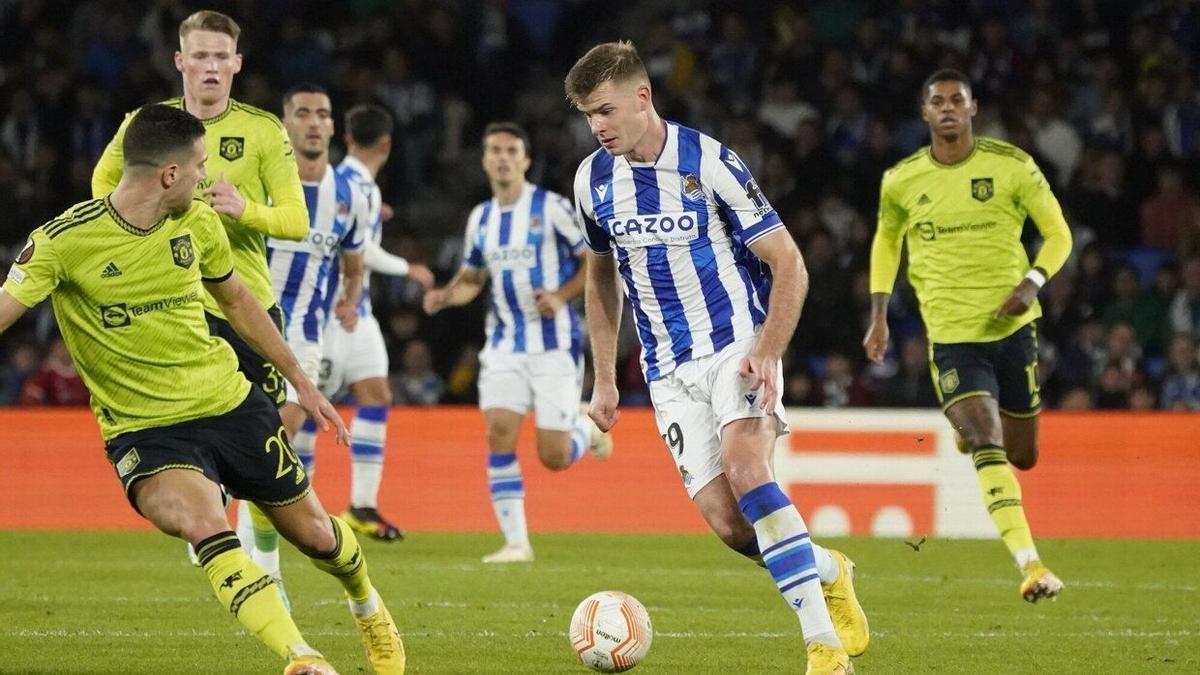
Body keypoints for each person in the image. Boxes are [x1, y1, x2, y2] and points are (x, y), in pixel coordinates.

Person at [1, 104, 404, 675]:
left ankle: (367, 604)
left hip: (230, 404)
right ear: (169, 174)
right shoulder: (63, 242)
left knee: (318, 538)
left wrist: (302, 384)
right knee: (203, 524)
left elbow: (239, 302)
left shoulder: (198, 223)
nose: (208, 179)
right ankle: (302, 657)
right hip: (146, 430)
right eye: (200, 166)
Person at [565, 42, 866, 675]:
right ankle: (828, 568)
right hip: (666, 371)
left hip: (736, 345)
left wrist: (768, 350)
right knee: (731, 526)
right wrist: (602, 379)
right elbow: (599, 277)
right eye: (588, 116)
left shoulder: (710, 162)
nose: (597, 127)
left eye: (604, 111)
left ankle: (823, 649)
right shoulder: (592, 180)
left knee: (748, 469)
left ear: (642, 98)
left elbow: (789, 262)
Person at [89, 9, 309, 573]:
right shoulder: (147, 124)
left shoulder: (263, 129)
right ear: (180, 61)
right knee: (185, 425)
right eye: (200, 56)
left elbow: (295, 219)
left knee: (269, 434)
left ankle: (261, 551)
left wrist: (245, 209)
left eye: (221, 57)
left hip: (246, 303)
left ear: (236, 64)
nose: (210, 67)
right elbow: (101, 188)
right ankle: (213, 521)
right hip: (173, 304)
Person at [864, 68, 1073, 603]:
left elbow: (1058, 234)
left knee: (1022, 455)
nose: (949, 108)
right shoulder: (903, 180)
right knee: (987, 440)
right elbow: (887, 243)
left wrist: (1032, 284)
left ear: (974, 107)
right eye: (938, 101)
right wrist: (880, 313)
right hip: (952, 336)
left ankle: (968, 423)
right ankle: (1031, 564)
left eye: (958, 99)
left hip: (1013, 329)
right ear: (926, 113)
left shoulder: (1012, 167)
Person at [423, 122, 612, 564]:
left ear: (525, 160)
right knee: (499, 433)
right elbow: (473, 278)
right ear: (486, 160)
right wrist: (446, 295)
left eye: (511, 150)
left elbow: (595, 262)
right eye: (494, 150)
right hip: (504, 343)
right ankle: (516, 543)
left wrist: (561, 295)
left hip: (553, 344)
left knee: (554, 456)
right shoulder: (481, 218)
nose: (503, 157)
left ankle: (587, 433)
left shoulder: (552, 208)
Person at [292, 103, 434, 542]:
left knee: (376, 394)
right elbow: (362, 250)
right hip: (332, 314)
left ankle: (363, 506)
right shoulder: (354, 186)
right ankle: (296, 509)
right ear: (387, 145)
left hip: (358, 313)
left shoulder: (353, 184)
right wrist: (406, 268)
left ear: (347, 139)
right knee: (308, 411)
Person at [247, 83, 367, 596]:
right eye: (302, 113)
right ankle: (225, 526)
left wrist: (349, 299)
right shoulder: (262, 183)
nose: (314, 122)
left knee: (276, 440)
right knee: (240, 444)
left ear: (333, 127)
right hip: (243, 325)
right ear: (285, 124)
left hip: (303, 336)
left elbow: (354, 265)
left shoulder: (350, 195)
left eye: (322, 114)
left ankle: (267, 565)